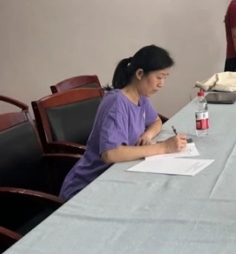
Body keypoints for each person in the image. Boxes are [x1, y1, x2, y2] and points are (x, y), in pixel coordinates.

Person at [59, 45, 187, 201]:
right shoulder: (117, 103)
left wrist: (147, 135)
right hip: (86, 188)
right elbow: (110, 154)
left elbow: (156, 121)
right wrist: (163, 147)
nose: (162, 84)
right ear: (140, 74)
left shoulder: (141, 98)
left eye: (165, 78)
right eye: (159, 77)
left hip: (114, 179)